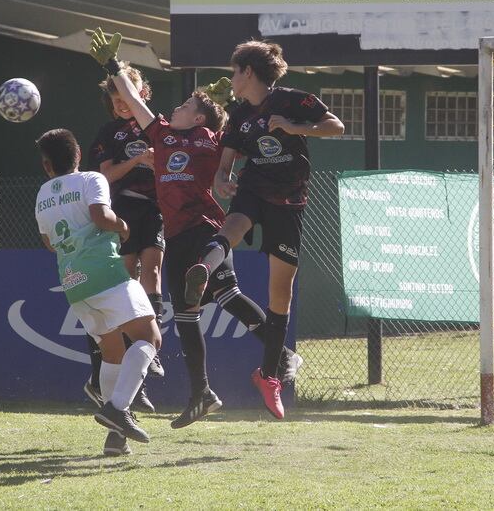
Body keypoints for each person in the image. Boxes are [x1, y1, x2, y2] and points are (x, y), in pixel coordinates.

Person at [89, 29, 303, 428]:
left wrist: (222, 107)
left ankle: (282, 355)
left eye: (186, 104)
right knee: (187, 317)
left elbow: (241, 134)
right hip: (174, 236)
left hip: (206, 229)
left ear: (200, 118)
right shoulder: (162, 134)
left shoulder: (212, 138)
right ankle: (201, 393)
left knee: (227, 294)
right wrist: (112, 66)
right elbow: (133, 100)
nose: (178, 107)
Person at [186, 40, 344, 419]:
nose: (232, 77)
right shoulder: (239, 115)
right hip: (254, 188)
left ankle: (269, 375)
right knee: (235, 223)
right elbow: (226, 165)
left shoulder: (291, 100)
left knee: (281, 294)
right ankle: (204, 269)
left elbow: (335, 127)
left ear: (249, 72)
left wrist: (293, 126)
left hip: (290, 201)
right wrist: (222, 181)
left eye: (235, 70)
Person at [34, 128, 161, 456]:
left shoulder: (43, 193)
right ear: (78, 155)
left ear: (47, 165)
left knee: (112, 352)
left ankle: (115, 439)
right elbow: (100, 216)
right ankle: (118, 409)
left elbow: (49, 243)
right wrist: (122, 226)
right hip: (104, 272)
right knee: (149, 338)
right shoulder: (92, 179)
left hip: (73, 282)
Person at [79, 67, 164, 414]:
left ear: (141, 93)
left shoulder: (157, 126)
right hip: (124, 209)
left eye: (127, 96)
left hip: (155, 209)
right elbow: (105, 174)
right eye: (116, 101)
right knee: (126, 283)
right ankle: (126, 378)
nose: (122, 105)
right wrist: (137, 160)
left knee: (153, 273)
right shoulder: (109, 132)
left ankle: (150, 357)